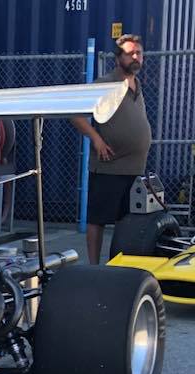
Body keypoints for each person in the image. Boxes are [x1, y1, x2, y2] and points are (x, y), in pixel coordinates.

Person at [71, 33, 152, 265]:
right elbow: (75, 113)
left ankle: (118, 266)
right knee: (98, 219)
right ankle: (94, 267)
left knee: (127, 222)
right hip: (109, 167)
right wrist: (96, 139)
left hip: (134, 169)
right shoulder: (106, 84)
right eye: (130, 53)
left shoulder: (137, 85)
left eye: (138, 53)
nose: (135, 57)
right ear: (118, 59)